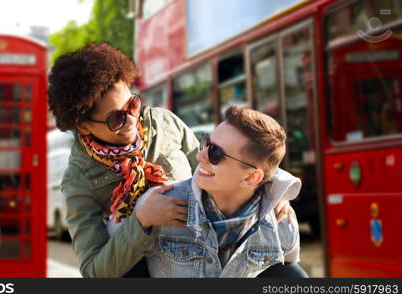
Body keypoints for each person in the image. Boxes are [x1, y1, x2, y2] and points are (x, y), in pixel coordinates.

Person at [47, 42, 294, 278]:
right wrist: (142, 221)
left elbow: (218, 167)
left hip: (212, 252)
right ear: (83, 125)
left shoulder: (164, 123)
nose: (132, 121)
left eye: (133, 105)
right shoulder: (79, 180)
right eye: (116, 119)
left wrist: (270, 192)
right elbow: (94, 272)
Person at [111, 106, 307, 277]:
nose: (200, 155)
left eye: (215, 153)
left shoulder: (282, 222)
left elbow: (286, 274)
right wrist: (140, 221)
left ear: (251, 178)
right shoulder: (158, 206)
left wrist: (276, 195)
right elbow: (111, 265)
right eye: (205, 143)